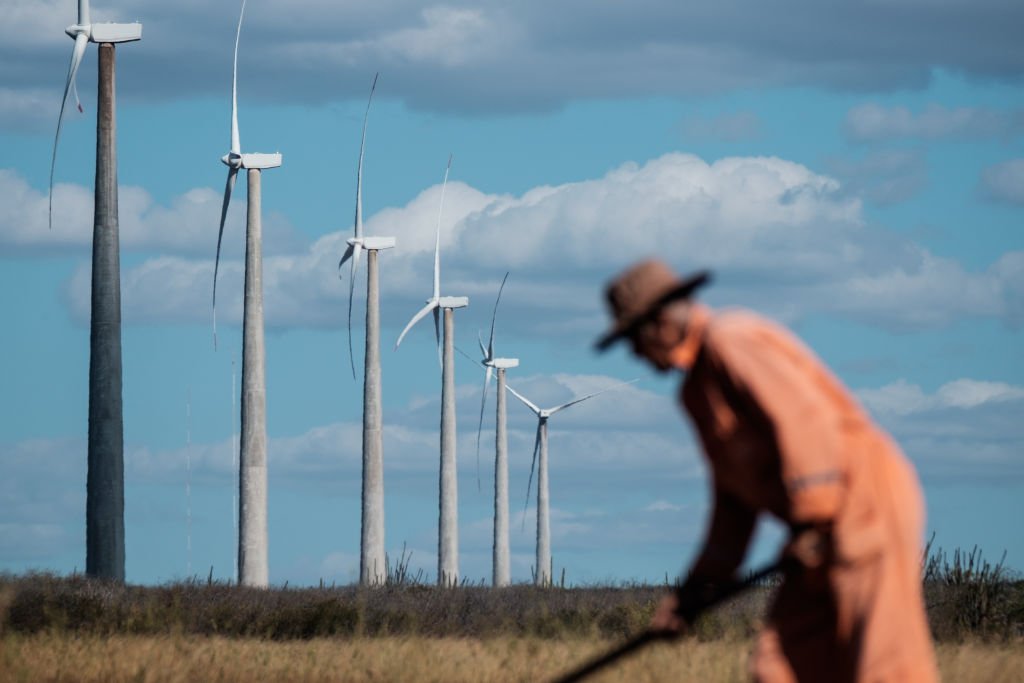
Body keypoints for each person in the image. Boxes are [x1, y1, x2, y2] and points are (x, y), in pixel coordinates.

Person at [596, 259, 938, 683]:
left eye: (633, 338)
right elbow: (732, 506)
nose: (634, 354)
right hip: (812, 529)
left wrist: (814, 518)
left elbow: (803, 421)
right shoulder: (695, 395)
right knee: (779, 668)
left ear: (659, 322)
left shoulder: (731, 339)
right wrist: (694, 593)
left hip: (862, 506)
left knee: (882, 665)